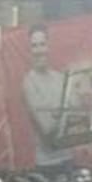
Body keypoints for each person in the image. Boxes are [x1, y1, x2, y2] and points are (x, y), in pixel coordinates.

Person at [21, 25, 67, 168]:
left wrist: (57, 113)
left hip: (68, 157)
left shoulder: (60, 78)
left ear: (48, 47)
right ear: (29, 51)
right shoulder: (29, 83)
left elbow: (78, 120)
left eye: (42, 44)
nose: (39, 50)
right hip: (47, 163)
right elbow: (46, 128)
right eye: (34, 46)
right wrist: (65, 112)